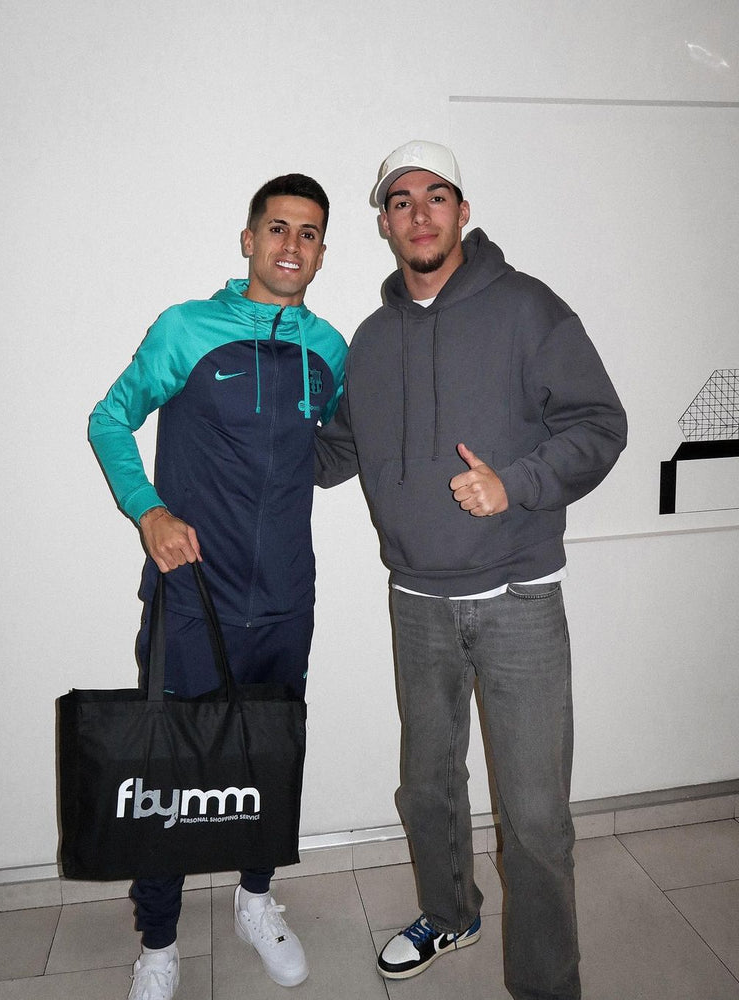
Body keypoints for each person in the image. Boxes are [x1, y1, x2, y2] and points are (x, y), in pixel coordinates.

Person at [315, 140, 627, 1000]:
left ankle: (546, 984)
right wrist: (239, 441)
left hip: (517, 597)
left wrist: (516, 483)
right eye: (400, 201)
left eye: (436, 196)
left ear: (462, 211)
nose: (419, 213)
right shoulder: (369, 342)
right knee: (427, 791)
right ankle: (450, 914)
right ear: (384, 223)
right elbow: (335, 450)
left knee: (535, 820)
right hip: (416, 599)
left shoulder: (528, 309)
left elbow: (600, 424)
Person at [88, 173, 347, 1000]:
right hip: (193, 597)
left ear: (322, 252)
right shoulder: (186, 329)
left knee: (270, 757)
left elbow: (335, 446)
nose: (291, 245)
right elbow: (108, 418)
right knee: (169, 771)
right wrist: (150, 511)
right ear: (248, 239)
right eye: (277, 227)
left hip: (287, 598)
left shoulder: (330, 349)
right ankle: (159, 942)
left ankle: (256, 902)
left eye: (309, 233)